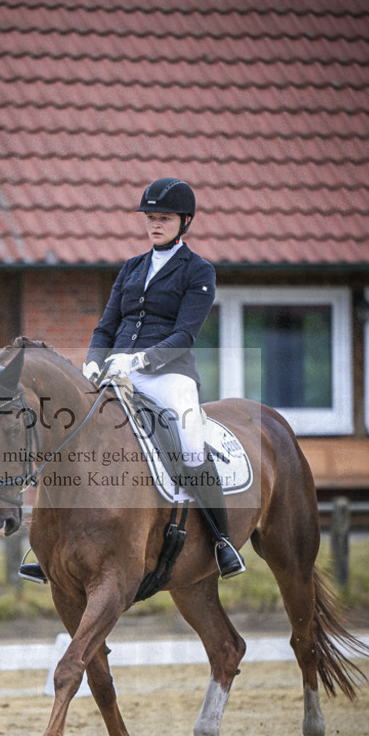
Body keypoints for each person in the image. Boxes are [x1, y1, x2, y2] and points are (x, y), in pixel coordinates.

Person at [81, 177, 246, 580]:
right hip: (116, 372)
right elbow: (107, 326)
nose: (155, 224)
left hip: (168, 375)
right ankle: (51, 539)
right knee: (76, 435)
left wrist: (138, 361)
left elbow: (184, 335)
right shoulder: (132, 267)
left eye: (164, 218)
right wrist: (93, 361)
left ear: (184, 221)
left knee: (190, 443)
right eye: (151, 218)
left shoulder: (198, 270)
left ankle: (222, 540)